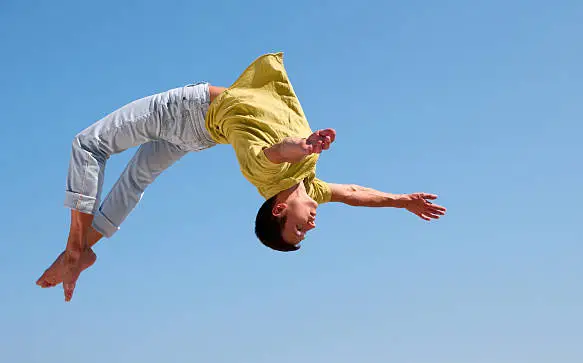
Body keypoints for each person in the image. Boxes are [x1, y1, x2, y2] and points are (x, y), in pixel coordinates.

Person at [36, 52, 447, 302]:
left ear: (280, 209)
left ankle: (75, 248)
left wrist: (300, 147)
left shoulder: (267, 173)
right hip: (199, 136)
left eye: (297, 231)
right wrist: (400, 201)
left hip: (185, 112)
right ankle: (86, 249)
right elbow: (354, 193)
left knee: (88, 145)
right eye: (303, 234)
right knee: (137, 179)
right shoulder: (310, 186)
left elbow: (273, 153)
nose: (310, 228)